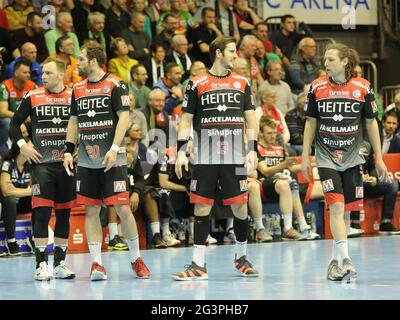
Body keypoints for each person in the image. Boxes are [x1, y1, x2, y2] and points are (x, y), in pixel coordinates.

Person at [173, 36, 259, 280]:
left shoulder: (242, 82)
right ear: (219, 53)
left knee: (241, 206)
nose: (236, 55)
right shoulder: (196, 83)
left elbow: (250, 118)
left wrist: (252, 148)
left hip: (236, 154)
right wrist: (180, 151)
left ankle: (241, 257)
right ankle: (198, 264)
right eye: (232, 51)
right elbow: (186, 120)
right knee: (202, 206)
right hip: (205, 155)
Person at [301, 43, 388, 282]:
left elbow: (371, 123)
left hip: (353, 156)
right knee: (336, 207)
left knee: (346, 210)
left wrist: (378, 158)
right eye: (325, 59)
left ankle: (334, 262)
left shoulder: (362, 87)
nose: (325, 63)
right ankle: (347, 259)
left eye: (330, 59)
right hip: (326, 155)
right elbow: (310, 122)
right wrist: (305, 156)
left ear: (344, 62)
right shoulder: (316, 87)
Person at [63, 42, 150, 280]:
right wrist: (68, 150)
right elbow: (73, 121)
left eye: (80, 59)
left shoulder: (115, 84)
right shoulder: (77, 88)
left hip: (113, 158)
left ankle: (136, 259)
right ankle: (96, 264)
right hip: (87, 160)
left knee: (122, 207)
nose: (77, 63)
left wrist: (114, 148)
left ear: (92, 61)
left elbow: (123, 117)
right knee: (91, 210)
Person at [9, 57, 77, 281]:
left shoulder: (73, 96)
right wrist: (23, 146)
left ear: (60, 74)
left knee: (64, 214)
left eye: (47, 73)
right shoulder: (33, 96)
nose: (42, 77)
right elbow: (13, 124)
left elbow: (82, 126)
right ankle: (41, 265)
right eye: (42, 73)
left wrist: (79, 149)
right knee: (42, 213)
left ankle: (59, 264)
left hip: (67, 165)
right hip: (42, 165)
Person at [256, 116, 321, 240]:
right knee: (285, 183)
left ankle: (304, 228)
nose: (273, 136)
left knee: (292, 183)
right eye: (269, 133)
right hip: (263, 185)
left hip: (281, 184)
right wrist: (283, 164)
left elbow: (291, 168)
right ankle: (288, 229)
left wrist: (312, 164)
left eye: (274, 133)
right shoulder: (257, 148)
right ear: (261, 133)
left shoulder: (279, 148)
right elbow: (265, 171)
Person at [0, 141, 32, 256]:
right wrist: (28, 191)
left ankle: (34, 237)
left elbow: (35, 190)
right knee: (10, 201)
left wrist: (15, 191)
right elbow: (6, 191)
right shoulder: (8, 164)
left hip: (22, 202)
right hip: (7, 205)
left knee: (38, 199)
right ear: (21, 151)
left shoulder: (30, 165)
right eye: (30, 147)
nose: (33, 149)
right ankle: (11, 241)